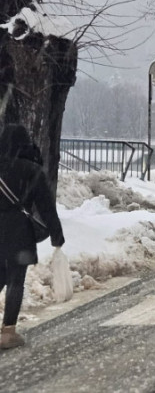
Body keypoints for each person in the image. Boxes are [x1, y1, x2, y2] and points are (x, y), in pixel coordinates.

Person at [0, 124, 65, 349]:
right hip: (19, 231)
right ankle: (8, 332)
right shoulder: (31, 169)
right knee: (15, 281)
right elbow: (46, 207)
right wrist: (56, 234)